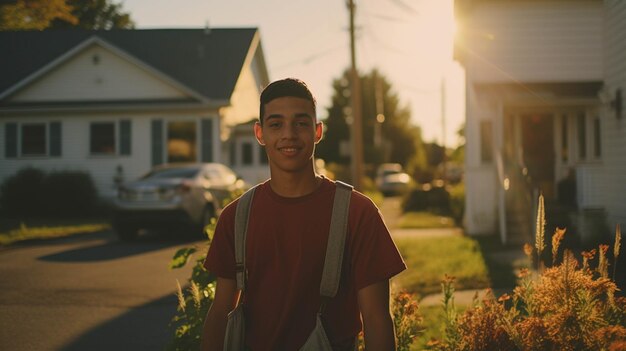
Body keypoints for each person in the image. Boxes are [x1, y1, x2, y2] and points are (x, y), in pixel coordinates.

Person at [201, 78, 406, 351]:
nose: (289, 134)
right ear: (260, 134)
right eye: (276, 124)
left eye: (301, 123)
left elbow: (376, 318)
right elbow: (220, 312)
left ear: (317, 131)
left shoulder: (357, 212)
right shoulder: (237, 217)